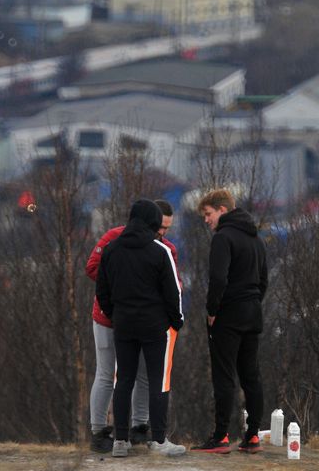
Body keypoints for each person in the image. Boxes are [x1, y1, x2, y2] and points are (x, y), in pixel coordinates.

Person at [85, 200, 179, 452]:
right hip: (117, 320)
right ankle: (100, 430)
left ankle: (130, 433)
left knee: (133, 377)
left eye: (168, 228)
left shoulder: (154, 246)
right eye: (161, 226)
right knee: (110, 374)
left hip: (121, 319)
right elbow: (94, 269)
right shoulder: (119, 240)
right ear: (151, 221)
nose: (163, 232)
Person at [191, 188, 268, 456]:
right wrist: (253, 302)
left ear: (222, 210)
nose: (206, 220)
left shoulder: (223, 238)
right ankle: (253, 436)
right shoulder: (256, 238)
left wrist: (213, 310)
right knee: (251, 376)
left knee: (224, 375)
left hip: (228, 315)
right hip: (252, 313)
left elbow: (218, 279)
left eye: (208, 214)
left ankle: (220, 436)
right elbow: (263, 281)